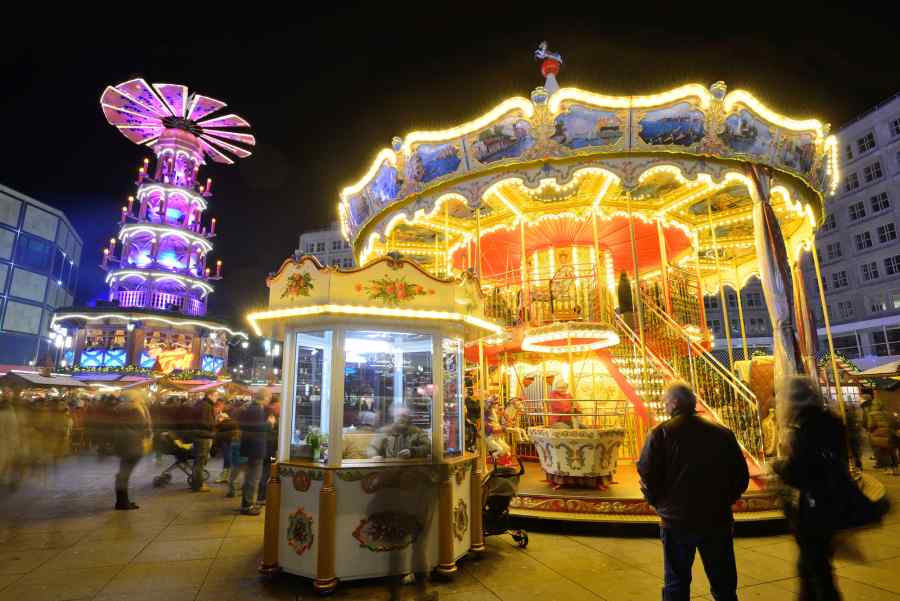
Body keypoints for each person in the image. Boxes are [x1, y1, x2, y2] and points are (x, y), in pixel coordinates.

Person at [637, 381, 749, 601]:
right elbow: (740, 476)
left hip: (676, 520)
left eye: (666, 402)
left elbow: (647, 473)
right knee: (723, 582)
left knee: (676, 582)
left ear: (675, 403)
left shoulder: (660, 434)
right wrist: (726, 499)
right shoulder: (722, 433)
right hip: (716, 517)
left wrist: (657, 502)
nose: (664, 406)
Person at [773, 376, 848, 601]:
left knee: (816, 569)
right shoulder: (832, 421)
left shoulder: (803, 429)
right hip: (833, 500)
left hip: (814, 506)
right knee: (813, 567)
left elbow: (800, 471)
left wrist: (779, 466)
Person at [112, 392, 152, 510]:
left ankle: (122, 501)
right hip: (132, 443)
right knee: (124, 474)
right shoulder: (134, 409)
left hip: (124, 443)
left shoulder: (120, 408)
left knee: (123, 473)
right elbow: (142, 426)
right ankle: (122, 503)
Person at [236, 389, 270, 515]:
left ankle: (248, 502)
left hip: (250, 446)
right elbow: (258, 428)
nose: (269, 400)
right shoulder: (257, 410)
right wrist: (269, 424)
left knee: (251, 476)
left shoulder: (250, 408)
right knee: (253, 477)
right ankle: (247, 505)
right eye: (269, 397)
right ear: (265, 397)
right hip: (255, 447)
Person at [190, 392, 218, 492]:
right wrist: (215, 424)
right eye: (216, 395)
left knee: (198, 461)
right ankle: (198, 485)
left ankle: (196, 483)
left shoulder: (200, 404)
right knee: (200, 462)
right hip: (203, 436)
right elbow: (206, 422)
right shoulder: (206, 406)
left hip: (199, 435)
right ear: (209, 395)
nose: (217, 398)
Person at [867, 399, 898, 474]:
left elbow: (871, 426)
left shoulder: (871, 414)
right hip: (889, 433)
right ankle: (895, 467)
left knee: (883, 452)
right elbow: (894, 423)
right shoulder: (887, 413)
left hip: (878, 434)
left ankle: (888, 468)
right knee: (891, 450)